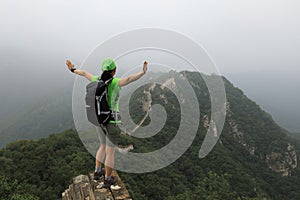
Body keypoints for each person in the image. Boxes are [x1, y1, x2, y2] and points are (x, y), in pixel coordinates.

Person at [66, 58, 148, 188]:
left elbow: (84, 73)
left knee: (102, 146)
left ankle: (98, 171)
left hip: (98, 120)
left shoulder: (96, 80)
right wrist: (142, 72)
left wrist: (73, 70)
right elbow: (128, 79)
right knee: (110, 151)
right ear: (114, 71)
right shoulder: (115, 82)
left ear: (103, 70)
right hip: (111, 121)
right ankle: (108, 178)